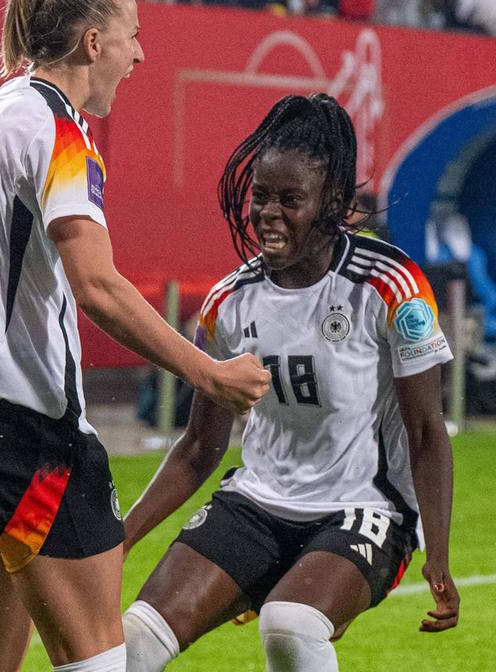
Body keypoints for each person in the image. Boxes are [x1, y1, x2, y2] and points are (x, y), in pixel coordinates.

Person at [0, 0, 269, 672]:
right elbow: (97, 286)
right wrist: (211, 374)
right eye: (133, 37)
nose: (139, 56)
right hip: (30, 437)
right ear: (93, 40)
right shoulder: (56, 126)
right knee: (99, 661)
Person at [118, 93, 459, 672]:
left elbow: (427, 432)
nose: (268, 213)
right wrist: (118, 541)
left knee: (290, 625)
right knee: (134, 641)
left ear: (333, 203)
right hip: (256, 501)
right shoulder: (228, 302)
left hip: (364, 508)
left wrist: (439, 556)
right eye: (261, 196)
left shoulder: (392, 285)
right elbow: (200, 446)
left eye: (290, 199)